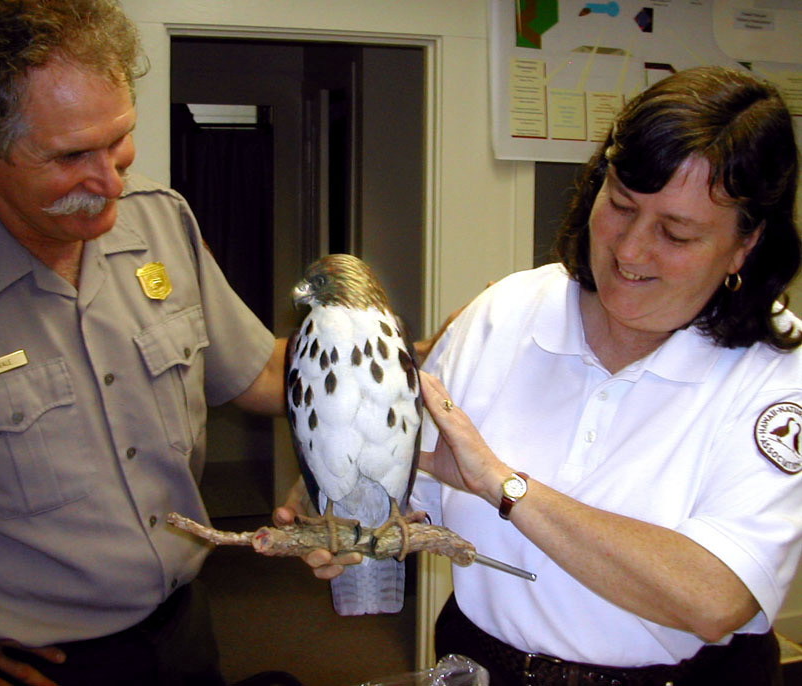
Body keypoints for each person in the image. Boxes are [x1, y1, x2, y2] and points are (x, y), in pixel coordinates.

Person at [280, 66, 802, 684]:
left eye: (675, 232)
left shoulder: (777, 372)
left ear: (745, 244)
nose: (631, 250)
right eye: (620, 205)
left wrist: (504, 486)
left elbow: (715, 599)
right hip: (480, 663)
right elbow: (411, 482)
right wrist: (342, 505)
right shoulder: (504, 313)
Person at [0, 1, 287, 685]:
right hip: (31, 663)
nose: (110, 182)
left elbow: (262, 376)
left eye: (118, 142)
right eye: (72, 156)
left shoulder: (161, 222)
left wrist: (431, 355)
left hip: (185, 628)